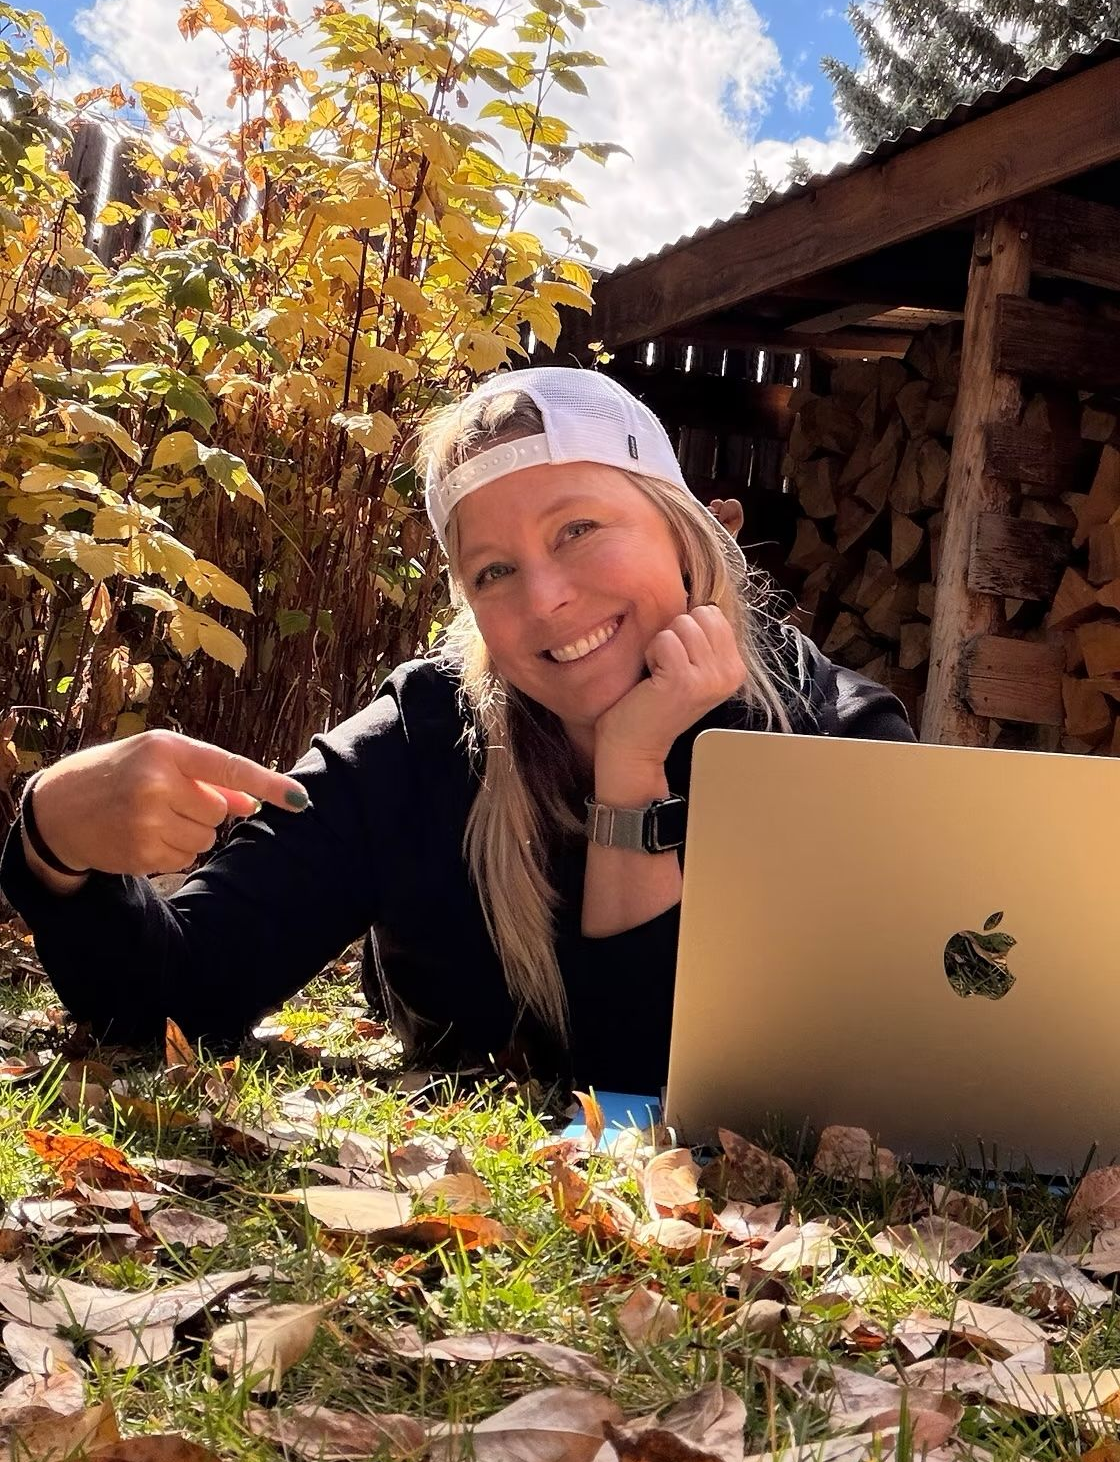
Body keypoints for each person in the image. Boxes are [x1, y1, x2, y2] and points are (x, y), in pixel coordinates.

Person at [0, 369, 916, 1092]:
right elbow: (174, 997)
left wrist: (632, 770)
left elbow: (649, 1082)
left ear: (685, 535)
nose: (547, 599)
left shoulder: (827, 738)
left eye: (579, 529)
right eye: (492, 572)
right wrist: (53, 841)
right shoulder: (417, 742)